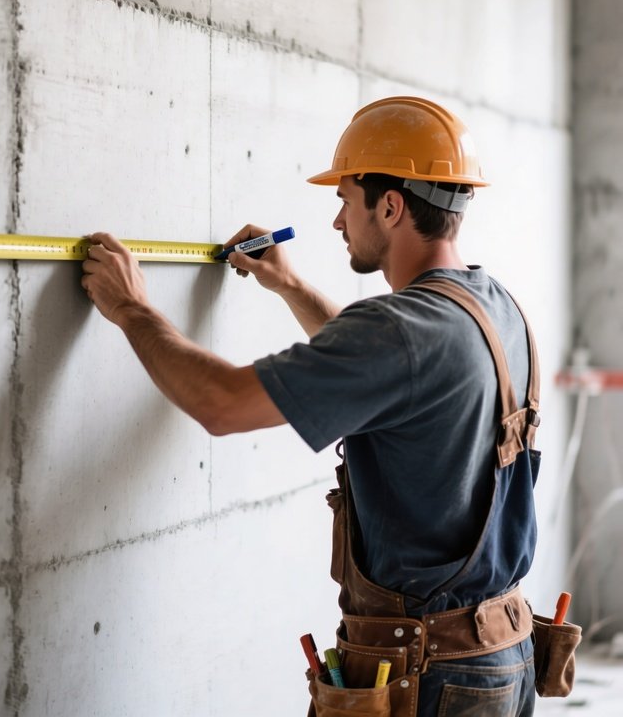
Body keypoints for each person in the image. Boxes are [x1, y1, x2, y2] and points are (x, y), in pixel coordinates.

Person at [80, 96, 540, 716]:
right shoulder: (493, 307)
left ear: (392, 205)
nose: (337, 221)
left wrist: (131, 308)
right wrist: (290, 286)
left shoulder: (402, 328)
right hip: (500, 657)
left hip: (432, 675)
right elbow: (390, 374)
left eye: (345, 200)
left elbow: (221, 404)